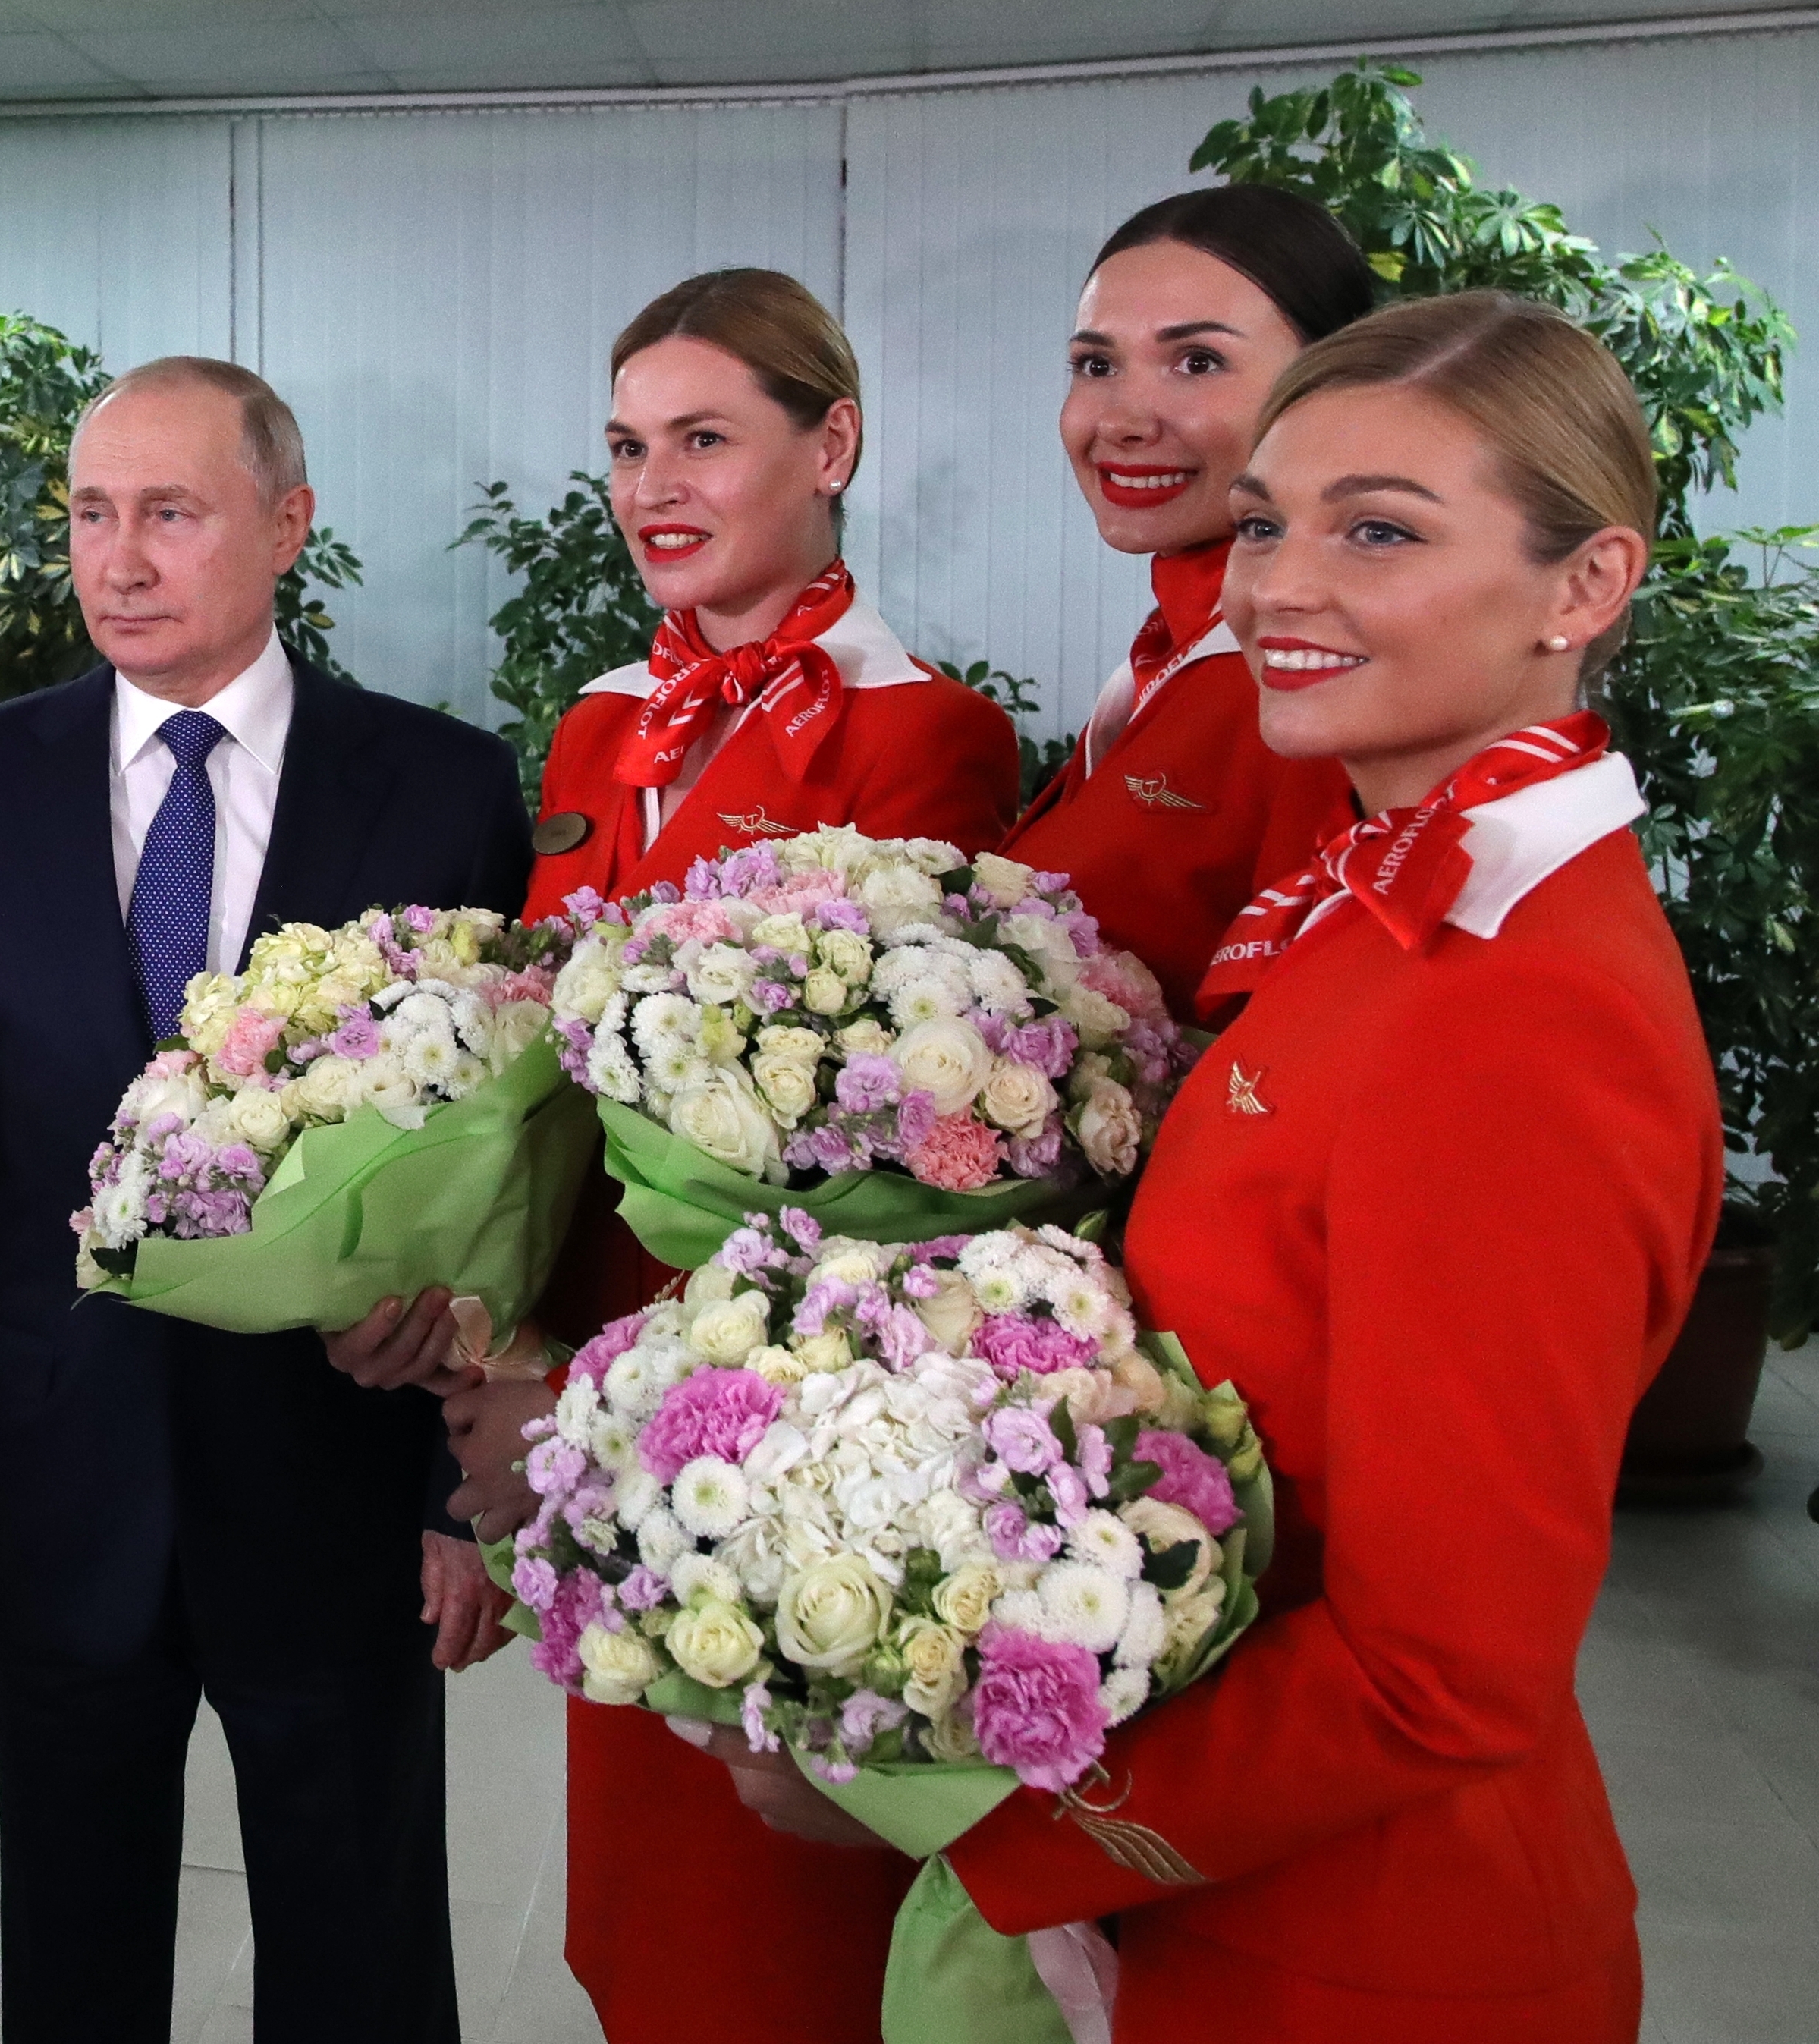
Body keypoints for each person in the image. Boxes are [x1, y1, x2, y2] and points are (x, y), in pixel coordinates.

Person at [707, 292, 1720, 2042]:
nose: (1274, 587)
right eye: (1262, 522)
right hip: (1227, 1917)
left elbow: (1439, 1670)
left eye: (1375, 529)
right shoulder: (1377, 898)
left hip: (1360, 1954)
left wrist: (988, 1818)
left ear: (1582, 586)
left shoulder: (1514, 1003)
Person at [0, 356, 532, 2044]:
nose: (119, 560)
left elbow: (510, 1170)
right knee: (69, 1939)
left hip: (338, 1472)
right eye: (90, 513)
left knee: (358, 1938)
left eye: (170, 513)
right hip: (57, 1462)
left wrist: (469, 1494)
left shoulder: (437, 788)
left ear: (286, 527)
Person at [434, 267, 1018, 2044]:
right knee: (637, 1901)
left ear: (827, 442)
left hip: (774, 1413)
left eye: (704, 436)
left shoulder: (919, 731)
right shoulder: (606, 720)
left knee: (771, 1927)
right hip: (580, 1387)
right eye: (624, 444)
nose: (650, 484)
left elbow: (893, 1159)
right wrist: (484, 1342)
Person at [1000, 186, 1370, 1012]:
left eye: (1196, 362)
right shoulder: (1173, 646)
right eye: (1096, 365)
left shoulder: (1316, 680)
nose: (1123, 419)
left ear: (1327, 386)